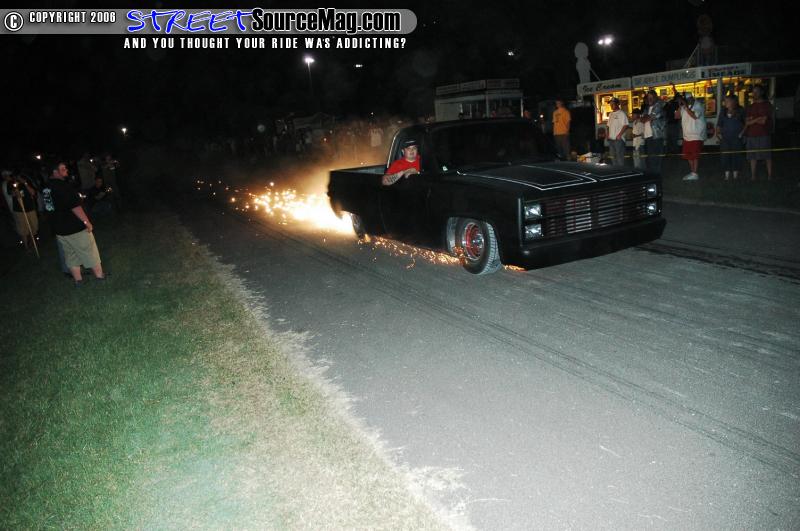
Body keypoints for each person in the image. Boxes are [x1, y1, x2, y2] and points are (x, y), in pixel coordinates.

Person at [46, 162, 105, 286]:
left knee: (71, 255)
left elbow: (50, 207)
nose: (66, 170)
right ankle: (100, 277)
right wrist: (86, 222)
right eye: (63, 169)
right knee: (89, 250)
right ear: (55, 172)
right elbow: (75, 206)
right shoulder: (62, 186)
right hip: (74, 227)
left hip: (60, 229)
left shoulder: (46, 187)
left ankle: (78, 281)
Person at [744, 84, 773, 181]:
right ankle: (753, 176)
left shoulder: (766, 105)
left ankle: (770, 176)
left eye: (756, 91)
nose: (754, 94)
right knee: (752, 157)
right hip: (751, 134)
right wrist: (757, 119)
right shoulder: (750, 107)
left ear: (762, 92)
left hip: (764, 134)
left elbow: (763, 121)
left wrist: (753, 120)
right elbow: (747, 122)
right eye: (753, 92)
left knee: (767, 156)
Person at [4, 172, 38, 251]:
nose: (18, 177)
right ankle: (26, 247)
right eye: (16, 176)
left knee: (34, 226)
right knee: (23, 229)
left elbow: (33, 192)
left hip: (30, 208)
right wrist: (16, 188)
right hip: (19, 209)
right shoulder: (11, 183)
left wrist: (25, 183)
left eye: (19, 176)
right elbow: (12, 194)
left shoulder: (26, 181)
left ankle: (32, 244)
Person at [677, 91, 707, 181]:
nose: (687, 101)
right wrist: (679, 106)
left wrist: (685, 107)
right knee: (688, 156)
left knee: (694, 156)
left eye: (687, 99)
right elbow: (677, 116)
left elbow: (694, 116)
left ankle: (695, 173)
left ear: (691, 98)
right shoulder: (684, 107)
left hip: (696, 135)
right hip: (687, 136)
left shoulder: (698, 105)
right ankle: (693, 172)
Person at [716, 95, 746, 181]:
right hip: (725, 138)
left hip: (736, 138)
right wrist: (718, 133)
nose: (725, 103)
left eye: (727, 101)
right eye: (725, 101)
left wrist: (742, 133)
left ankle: (735, 175)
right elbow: (719, 124)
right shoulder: (723, 111)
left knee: (736, 156)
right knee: (725, 156)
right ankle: (727, 175)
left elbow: (746, 123)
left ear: (733, 102)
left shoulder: (740, 111)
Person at [641, 90, 666, 175]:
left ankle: (657, 175)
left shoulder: (659, 105)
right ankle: (652, 174)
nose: (649, 99)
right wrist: (646, 117)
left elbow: (650, 117)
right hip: (648, 136)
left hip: (656, 136)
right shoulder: (647, 108)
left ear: (655, 97)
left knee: (657, 158)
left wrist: (647, 117)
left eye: (651, 97)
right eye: (648, 97)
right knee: (650, 158)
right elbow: (642, 119)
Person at [606, 98, 629, 166]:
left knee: (619, 157)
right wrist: (607, 134)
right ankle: (615, 170)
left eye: (612, 104)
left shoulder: (621, 113)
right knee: (613, 157)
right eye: (610, 104)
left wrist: (619, 135)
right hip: (611, 139)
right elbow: (608, 126)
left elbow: (626, 125)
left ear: (617, 104)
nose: (611, 105)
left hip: (618, 139)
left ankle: (620, 170)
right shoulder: (611, 114)